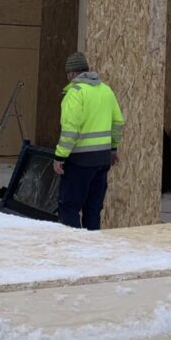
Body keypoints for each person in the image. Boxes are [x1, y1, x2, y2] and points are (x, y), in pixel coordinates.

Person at [52, 52, 124, 230]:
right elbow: (117, 122)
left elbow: (70, 129)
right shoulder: (106, 90)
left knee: (69, 208)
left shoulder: (75, 93)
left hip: (79, 161)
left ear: (71, 73)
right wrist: (113, 148)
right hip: (102, 160)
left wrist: (60, 156)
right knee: (93, 210)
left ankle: (73, 245)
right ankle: (92, 245)